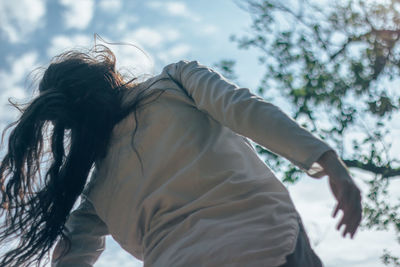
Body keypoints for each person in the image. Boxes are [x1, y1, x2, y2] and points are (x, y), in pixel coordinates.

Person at [0, 45, 362, 267]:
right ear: (106, 73)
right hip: (264, 242)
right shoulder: (175, 81)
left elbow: (71, 256)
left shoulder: (95, 191)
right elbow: (245, 109)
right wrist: (329, 163)